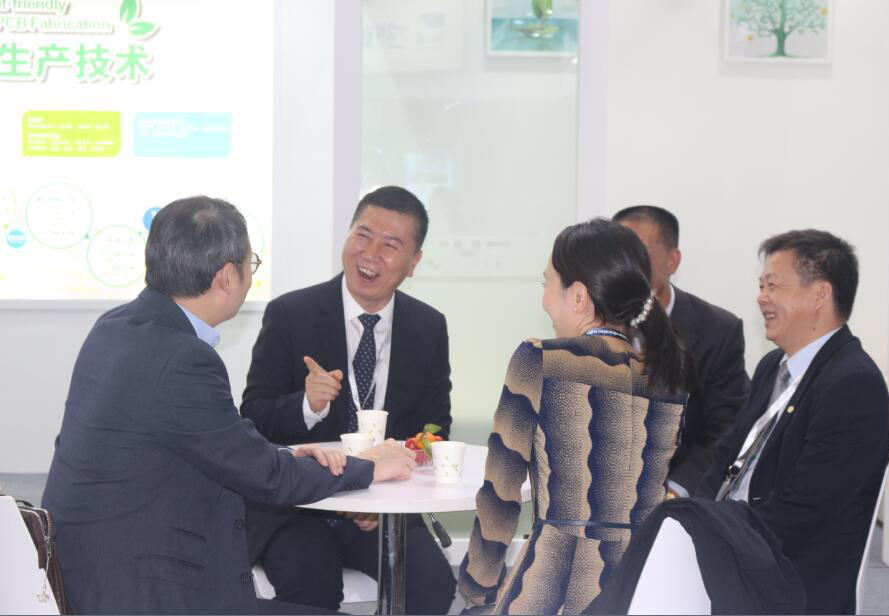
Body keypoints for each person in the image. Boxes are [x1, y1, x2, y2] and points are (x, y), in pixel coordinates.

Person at [41, 196, 416, 615]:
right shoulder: (182, 358)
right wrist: (367, 466)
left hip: (93, 575)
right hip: (146, 592)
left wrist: (289, 455)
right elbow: (264, 476)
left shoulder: (115, 326)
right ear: (225, 277)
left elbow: (220, 448)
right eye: (249, 264)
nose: (249, 278)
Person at [241, 186, 456, 613]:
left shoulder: (428, 327)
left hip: (382, 512)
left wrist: (380, 494)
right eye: (363, 234)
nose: (370, 254)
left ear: (414, 262)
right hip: (301, 508)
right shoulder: (291, 313)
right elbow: (253, 419)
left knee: (433, 585)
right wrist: (307, 405)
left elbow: (434, 429)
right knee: (312, 590)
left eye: (390, 245)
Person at [458, 218, 690, 615]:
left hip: (553, 588)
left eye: (547, 284)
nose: (544, 301)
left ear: (579, 296)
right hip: (641, 588)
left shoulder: (540, 360)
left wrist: (478, 587)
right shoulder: (667, 380)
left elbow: (502, 491)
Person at [698, 230, 889, 614]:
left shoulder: (853, 385)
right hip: (737, 542)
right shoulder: (774, 366)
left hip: (784, 574)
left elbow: (804, 509)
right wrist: (694, 517)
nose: (761, 297)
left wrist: (713, 535)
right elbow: (726, 453)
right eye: (761, 286)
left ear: (820, 294)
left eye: (773, 285)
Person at [614, 205, 749, 497]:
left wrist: (674, 492)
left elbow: (726, 430)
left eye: (640, 254)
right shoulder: (595, 321)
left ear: (672, 261)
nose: (628, 266)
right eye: (620, 255)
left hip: (676, 496)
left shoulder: (718, 331)